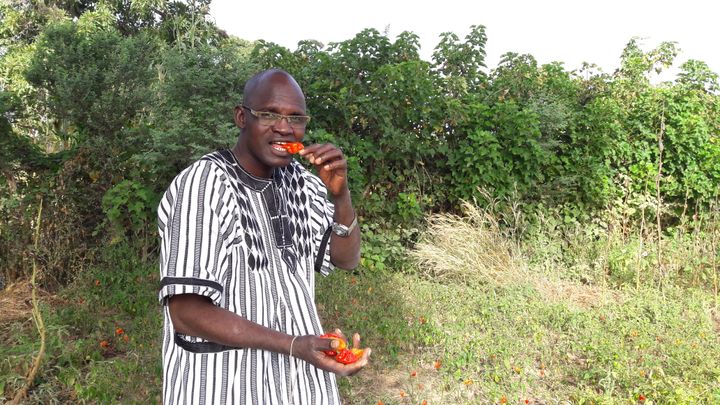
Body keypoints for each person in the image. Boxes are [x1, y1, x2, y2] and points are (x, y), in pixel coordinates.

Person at [157, 68, 370, 404]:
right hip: (222, 385)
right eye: (269, 114)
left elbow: (346, 259)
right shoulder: (204, 185)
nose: (284, 127)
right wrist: (292, 345)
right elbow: (185, 312)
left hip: (298, 386)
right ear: (242, 117)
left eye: (296, 118)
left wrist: (341, 198)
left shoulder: (303, 183)